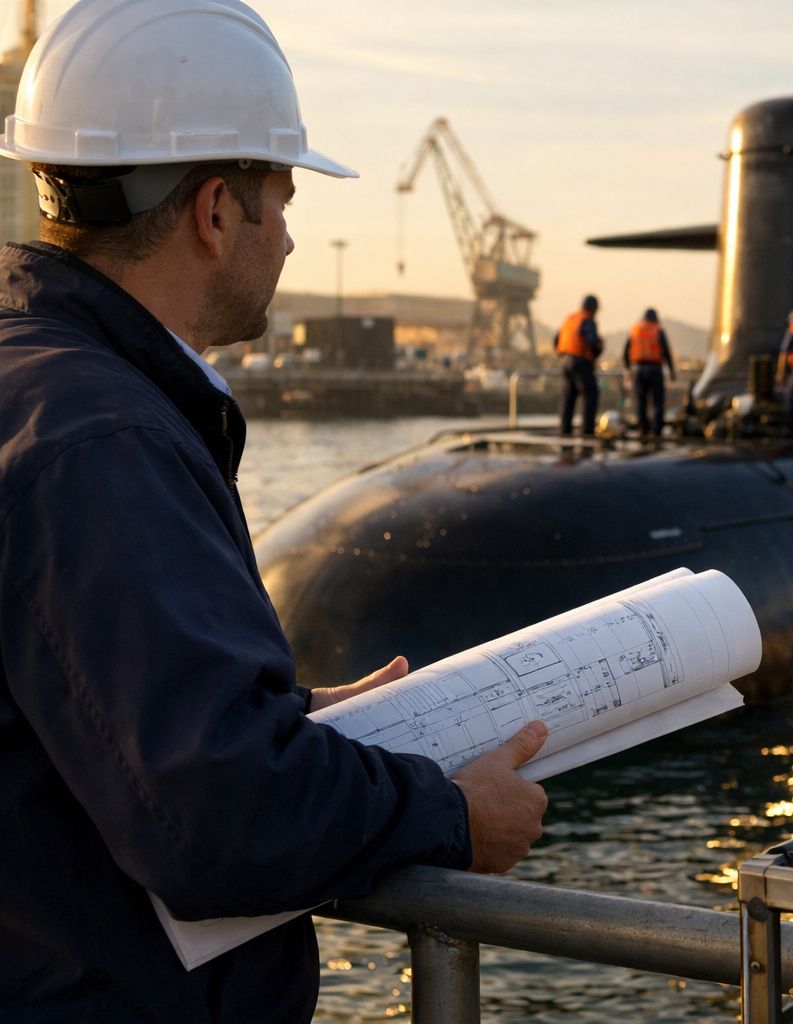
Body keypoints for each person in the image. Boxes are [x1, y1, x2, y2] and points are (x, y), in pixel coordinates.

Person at [0, 2, 548, 1019]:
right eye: (282, 202)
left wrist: (275, 720)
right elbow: (212, 818)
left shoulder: (36, 382)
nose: (291, 239)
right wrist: (450, 816)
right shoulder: (104, 440)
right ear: (216, 212)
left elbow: (73, 698)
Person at [556, 294, 604, 436]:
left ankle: (565, 430)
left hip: (565, 361)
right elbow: (592, 342)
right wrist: (598, 349)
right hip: (581, 362)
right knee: (590, 395)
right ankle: (587, 432)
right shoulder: (587, 320)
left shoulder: (570, 319)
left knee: (568, 397)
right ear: (592, 308)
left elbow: (556, 340)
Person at [624, 307, 675, 438]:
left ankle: (643, 430)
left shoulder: (635, 330)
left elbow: (625, 351)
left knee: (640, 401)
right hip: (654, 369)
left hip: (638, 369)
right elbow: (666, 352)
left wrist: (628, 369)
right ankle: (657, 431)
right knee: (657, 401)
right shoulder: (657, 330)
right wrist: (672, 371)